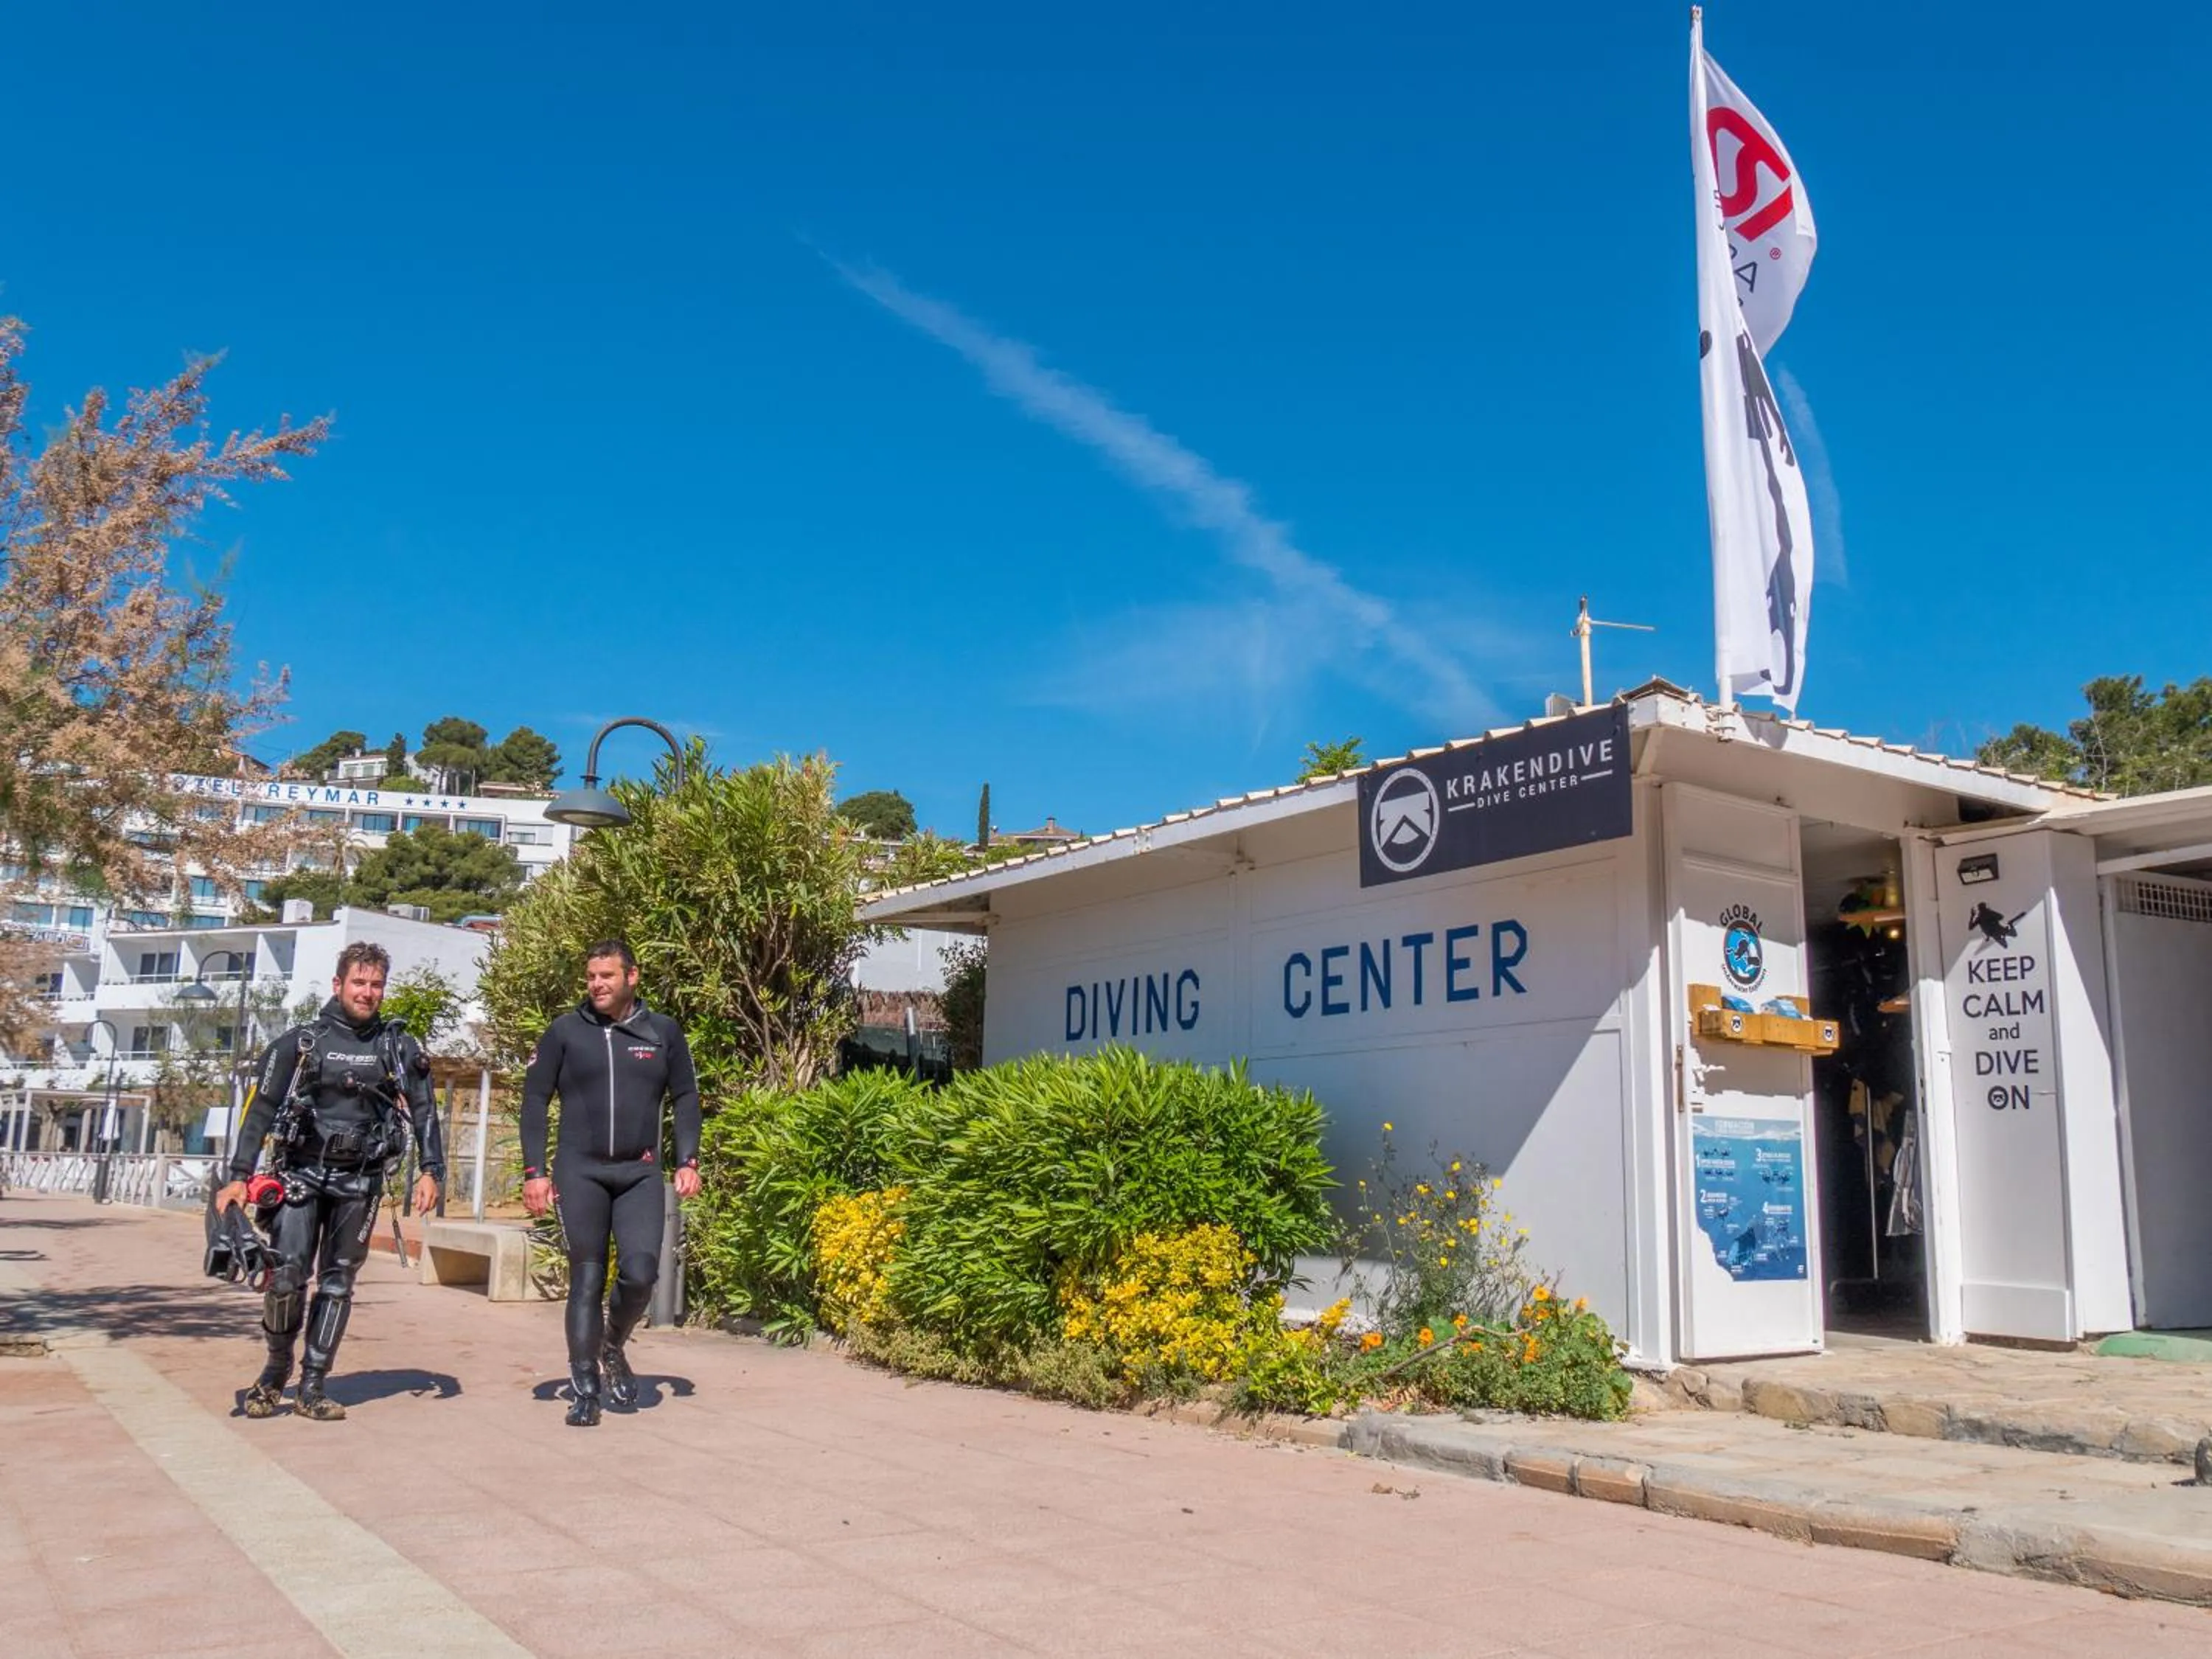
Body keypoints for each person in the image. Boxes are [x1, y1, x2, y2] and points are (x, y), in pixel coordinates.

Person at [215, 942, 442, 1421]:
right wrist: (239, 1177)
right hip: (300, 1175)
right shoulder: (301, 1043)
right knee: (287, 1278)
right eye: (359, 982)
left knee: (338, 1284)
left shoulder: (397, 1046)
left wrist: (431, 1171)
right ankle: (276, 1371)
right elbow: (260, 1109)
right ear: (338, 985)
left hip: (359, 1183)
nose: (368, 992)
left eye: (376, 984)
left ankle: (313, 1386)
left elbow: (424, 1110)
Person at [521, 938, 701, 1427]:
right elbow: (535, 1101)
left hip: (639, 1171)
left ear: (632, 977)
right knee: (587, 1276)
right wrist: (534, 1171)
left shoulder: (663, 1032)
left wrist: (688, 1160)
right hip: (579, 1171)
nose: (597, 984)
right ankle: (585, 1390)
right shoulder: (564, 1033)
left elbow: (686, 1097)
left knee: (641, 1274)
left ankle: (613, 1346)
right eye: (591, 977)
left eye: (607, 976)